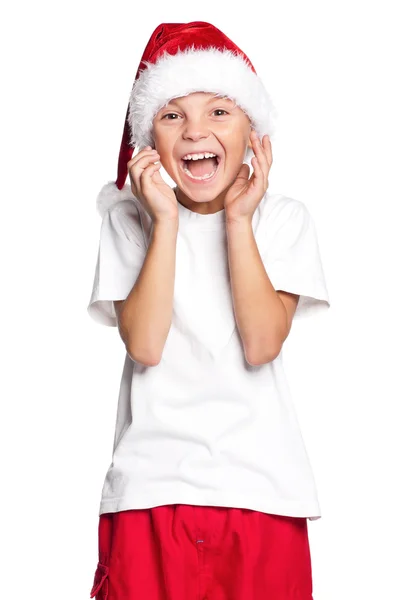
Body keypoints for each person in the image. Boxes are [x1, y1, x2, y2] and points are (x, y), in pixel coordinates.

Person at [87, 21, 330, 600]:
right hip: (151, 490)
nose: (196, 129)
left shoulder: (282, 219)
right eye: (172, 115)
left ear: (254, 131)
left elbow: (262, 343)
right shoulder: (130, 222)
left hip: (262, 493)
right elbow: (145, 344)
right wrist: (165, 221)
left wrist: (239, 221)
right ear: (148, 137)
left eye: (219, 111)